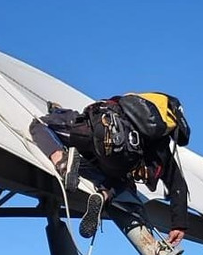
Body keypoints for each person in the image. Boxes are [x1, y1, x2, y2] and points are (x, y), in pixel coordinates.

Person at [29, 93, 190, 244]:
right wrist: (179, 225)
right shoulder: (161, 148)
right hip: (120, 164)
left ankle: (62, 162)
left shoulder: (125, 107)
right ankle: (105, 195)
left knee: (39, 124)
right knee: (124, 182)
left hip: (98, 135)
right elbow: (179, 186)